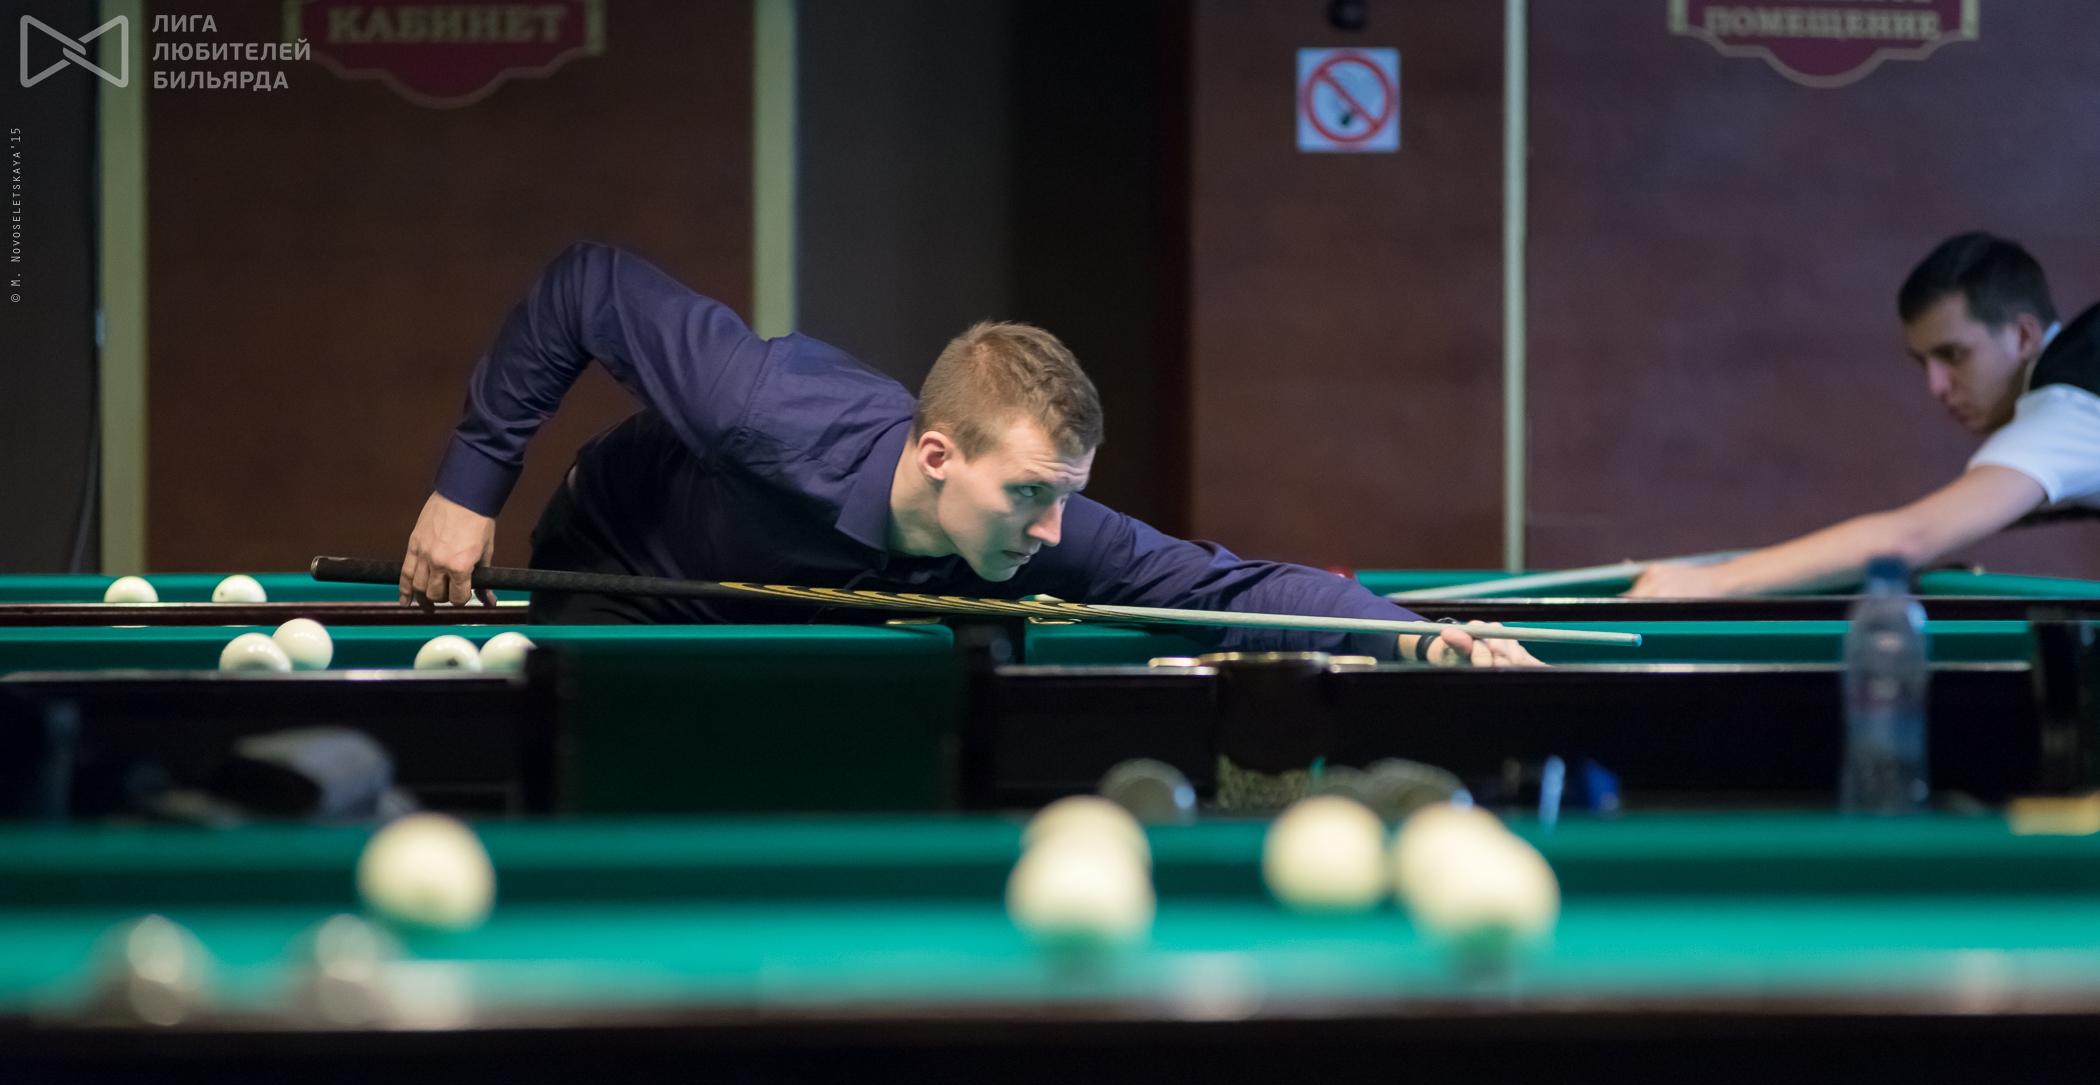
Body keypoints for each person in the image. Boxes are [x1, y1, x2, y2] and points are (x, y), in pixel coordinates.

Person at [399, 242, 1538, 666]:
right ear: (938, 454)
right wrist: (467, 489)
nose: (1052, 530)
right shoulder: (762, 407)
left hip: (809, 622)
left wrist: (1417, 637)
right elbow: (587, 285)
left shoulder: (1033, 525)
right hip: (626, 578)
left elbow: (1227, 589)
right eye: (1031, 494)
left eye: (1065, 497)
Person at [1629, 232, 2100, 598]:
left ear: (2023, 336)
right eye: (1923, 363)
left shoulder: (2065, 410)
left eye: (1954, 355)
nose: (1936, 386)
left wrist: (1712, 581)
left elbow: (1909, 538)